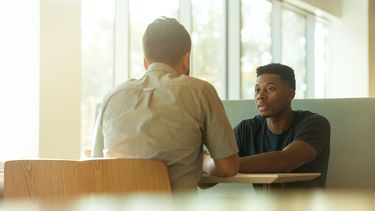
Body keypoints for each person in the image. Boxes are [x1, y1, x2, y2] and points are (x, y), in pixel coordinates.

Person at [91, 17, 239, 192]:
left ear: (145, 62)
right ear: (186, 60)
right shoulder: (200, 91)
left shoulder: (112, 96)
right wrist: (204, 161)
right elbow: (228, 167)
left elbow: (96, 166)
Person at [234, 63, 330, 189]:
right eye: (257, 90)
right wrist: (211, 164)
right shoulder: (246, 129)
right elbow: (206, 182)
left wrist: (222, 165)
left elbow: (285, 161)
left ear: (290, 95)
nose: (260, 96)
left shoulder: (315, 124)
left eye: (270, 89)